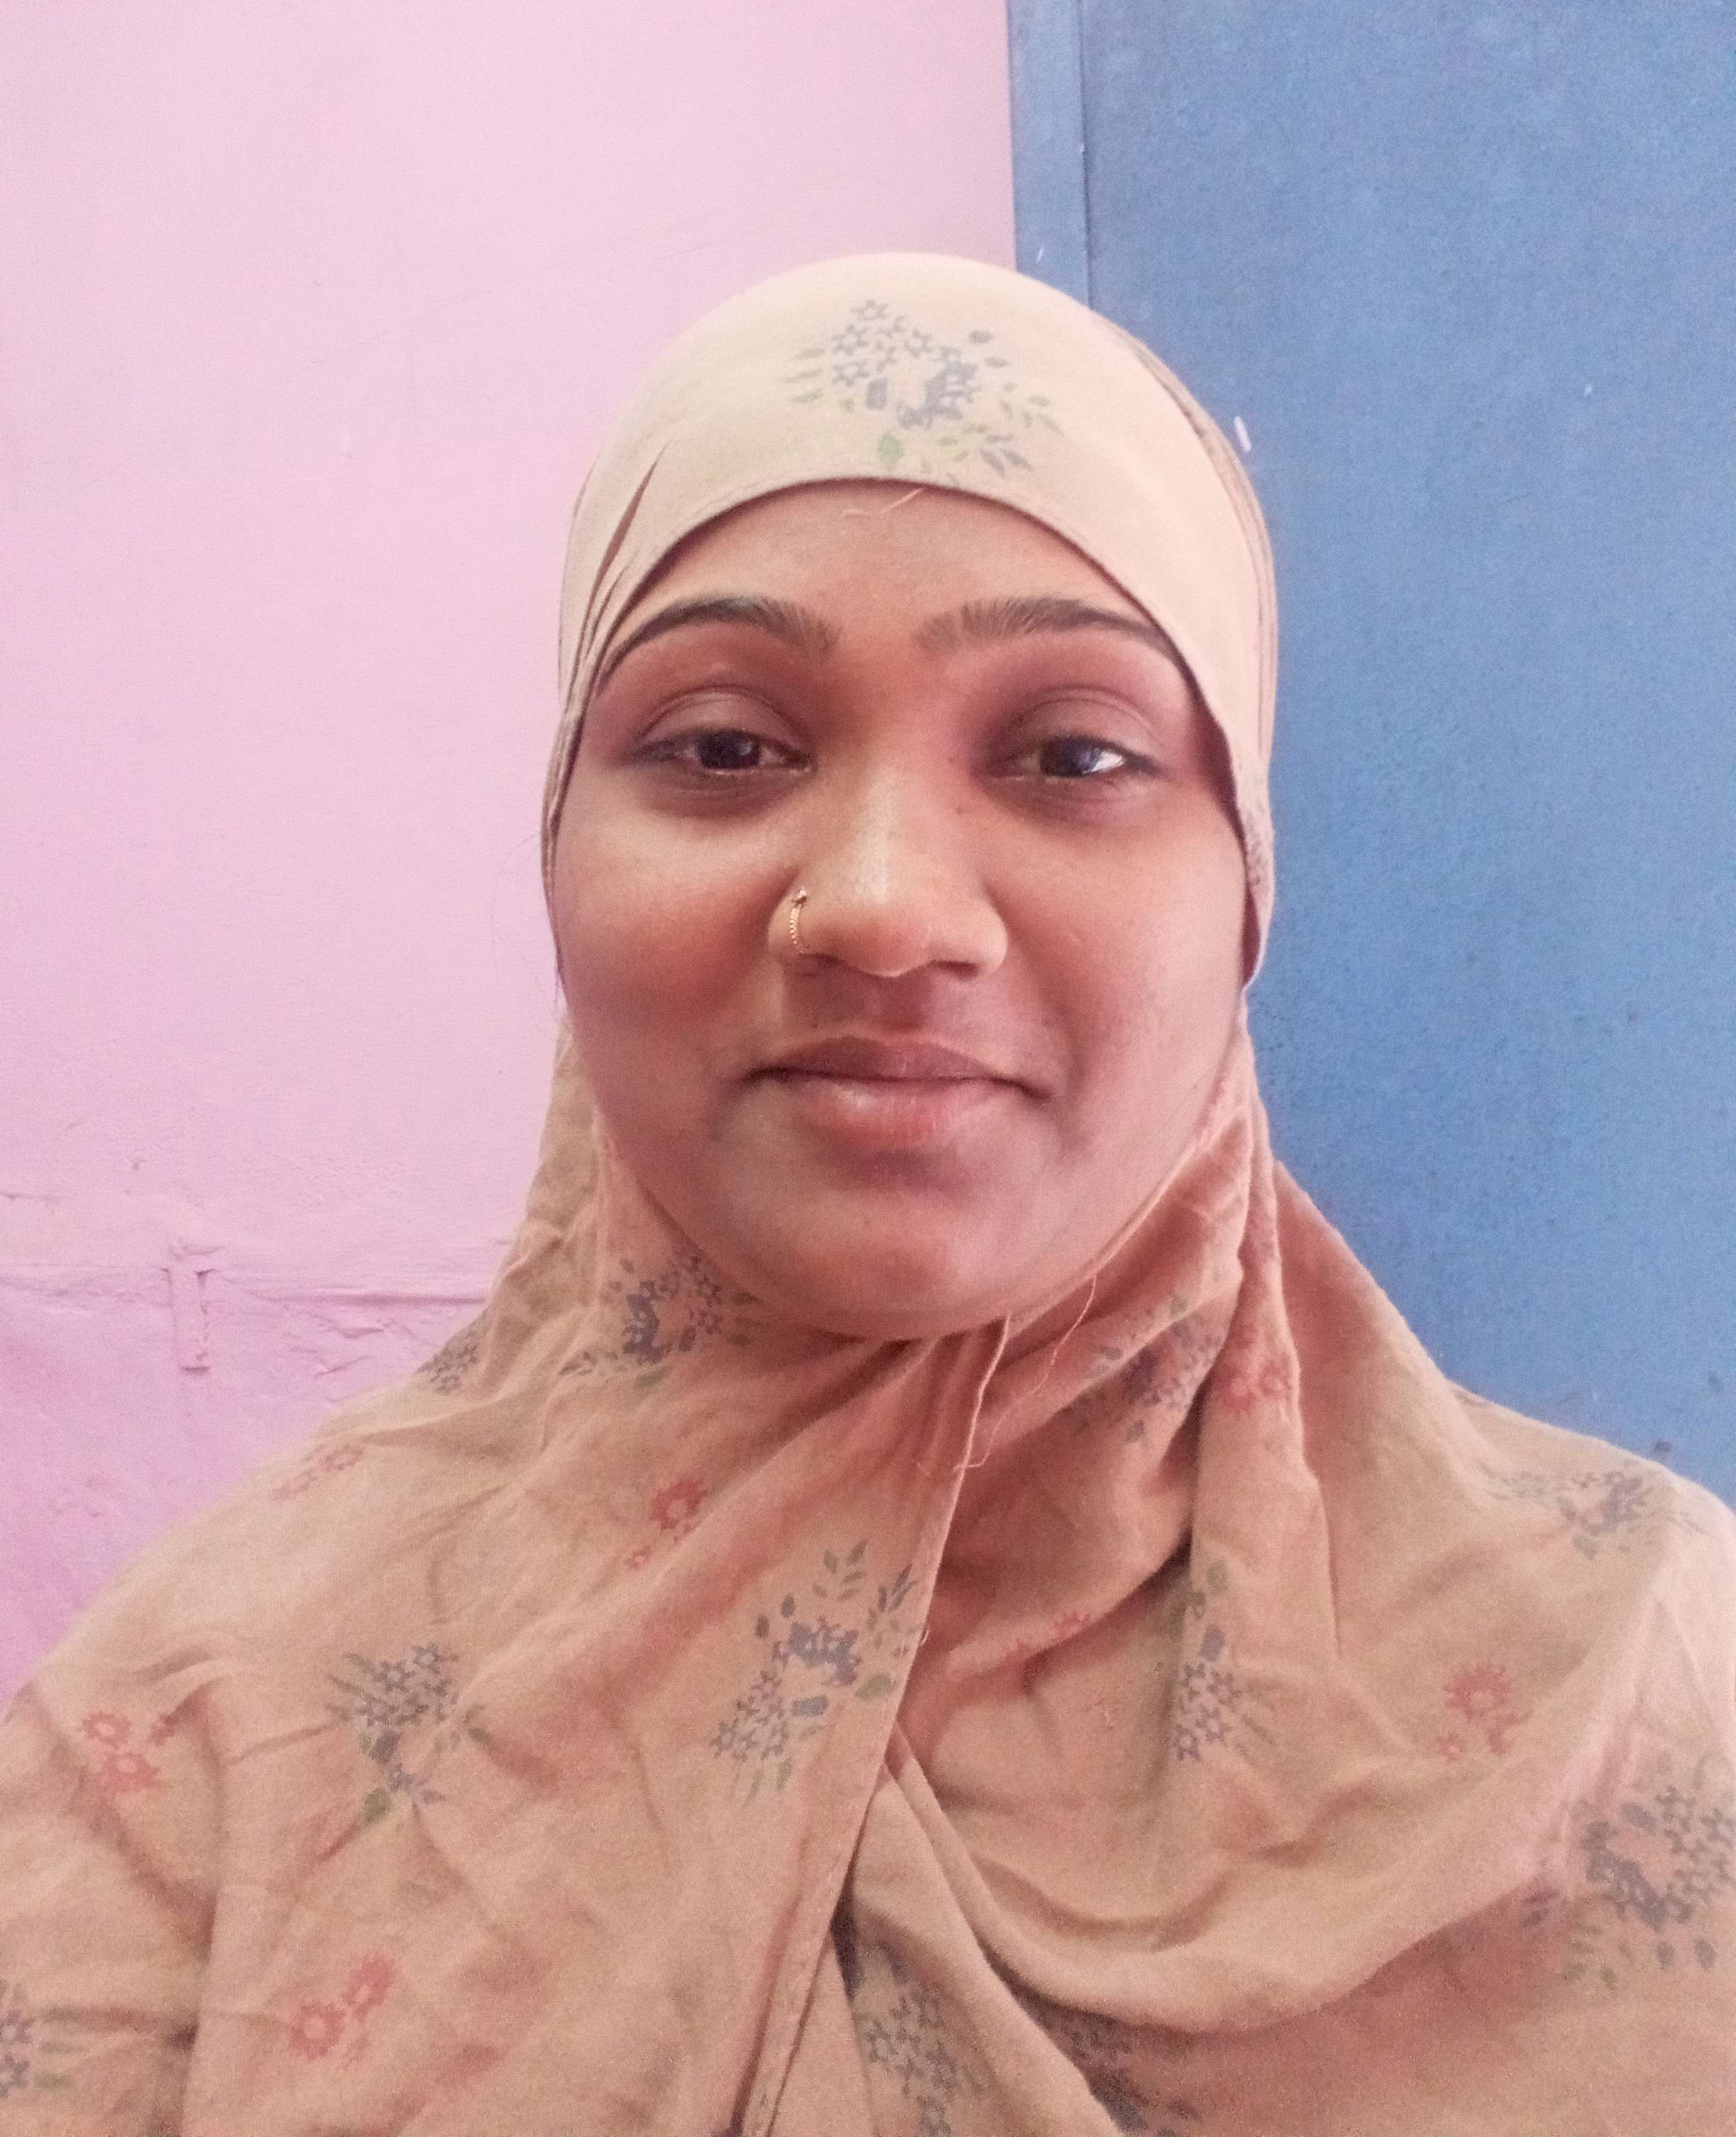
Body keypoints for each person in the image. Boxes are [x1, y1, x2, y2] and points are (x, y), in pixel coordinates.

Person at [1, 254, 1730, 2134]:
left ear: (1246, 887)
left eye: (1076, 755)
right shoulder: (194, 1758)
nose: (889, 908)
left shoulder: (1649, 1696)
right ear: (557, 852)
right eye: (723, 748)